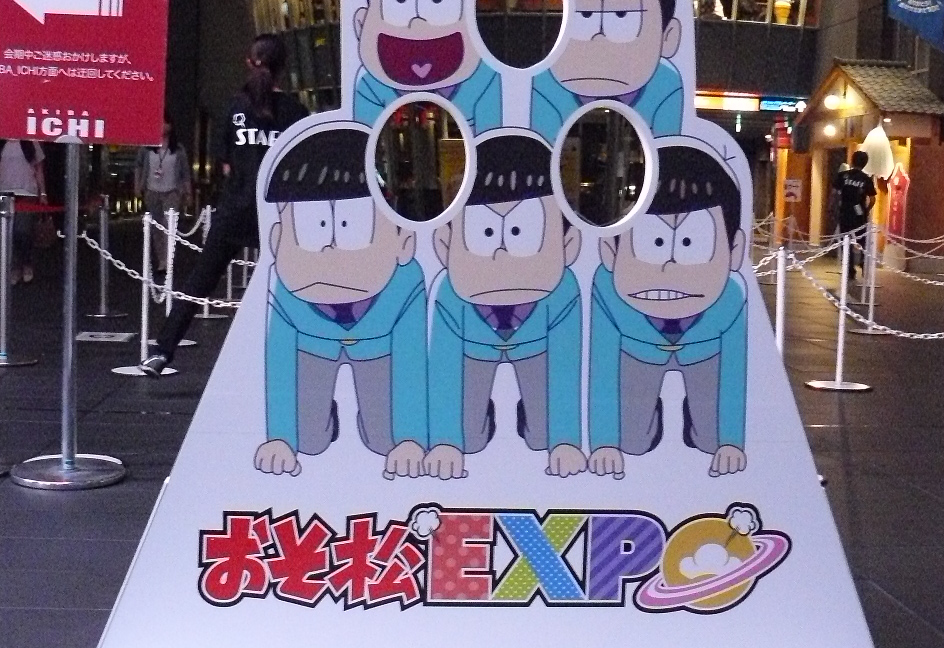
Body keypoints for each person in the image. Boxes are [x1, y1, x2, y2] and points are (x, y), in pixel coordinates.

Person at [253, 124, 429, 481]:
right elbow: (280, 360)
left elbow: (411, 360)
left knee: (385, 439)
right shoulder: (287, 286)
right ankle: (323, 421)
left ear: (402, 241)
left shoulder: (406, 282)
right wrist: (281, 438)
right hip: (313, 344)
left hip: (378, 346)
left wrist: (412, 439)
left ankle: (376, 427)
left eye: (351, 225)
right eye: (314, 227)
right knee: (308, 440)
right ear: (278, 240)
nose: (330, 249)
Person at [140, 34, 308, 376]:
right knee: (294, 287)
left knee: (199, 281)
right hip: (277, 215)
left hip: (234, 210)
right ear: (283, 68)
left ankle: (162, 352)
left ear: (249, 62)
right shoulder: (296, 112)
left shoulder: (235, 108)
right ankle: (299, 360)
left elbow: (227, 165)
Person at [426, 131, 587, 479]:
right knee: (467, 439)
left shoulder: (564, 290)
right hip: (475, 346)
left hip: (536, 344)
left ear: (568, 245)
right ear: (445, 245)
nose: (501, 255)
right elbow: (443, 369)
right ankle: (480, 426)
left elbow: (566, 369)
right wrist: (445, 442)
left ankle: (532, 424)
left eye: (521, 232)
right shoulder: (450, 292)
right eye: (484, 233)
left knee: (543, 435)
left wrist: (565, 441)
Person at [588, 140, 748, 479]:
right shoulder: (607, 292)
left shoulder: (730, 300)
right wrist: (604, 443)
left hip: (703, 349)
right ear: (611, 251)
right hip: (638, 348)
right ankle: (650, 421)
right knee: (631, 441)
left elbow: (734, 374)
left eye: (692, 243)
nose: (669, 267)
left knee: (711, 439)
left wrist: (731, 442)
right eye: (654, 242)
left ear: (734, 251)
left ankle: (696, 423)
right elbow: (602, 370)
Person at [530, 0, 683, 142]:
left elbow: (667, 143)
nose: (599, 40)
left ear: (668, 37)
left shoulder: (666, 85)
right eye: (582, 18)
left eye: (623, 17)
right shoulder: (544, 86)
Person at [350, 0, 502, 134]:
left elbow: (490, 136)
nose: (418, 24)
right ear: (361, 23)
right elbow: (362, 138)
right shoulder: (369, 88)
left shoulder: (485, 81)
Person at [135, 116, 192, 277]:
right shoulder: (147, 147)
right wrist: (138, 186)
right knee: (156, 227)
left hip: (172, 191)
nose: (162, 126)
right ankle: (161, 259)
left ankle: (168, 259)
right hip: (152, 191)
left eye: (165, 122)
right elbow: (138, 166)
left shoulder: (178, 149)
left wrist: (188, 193)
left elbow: (185, 173)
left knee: (169, 225)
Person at [0, 139, 46, 284]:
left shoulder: (31, 142)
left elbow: (39, 170)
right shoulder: (2, 142)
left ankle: (26, 263)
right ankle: (14, 266)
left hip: (27, 193)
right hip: (5, 193)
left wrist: (43, 193)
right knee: (9, 233)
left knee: (23, 231)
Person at [831, 149, 875, 279]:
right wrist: (866, 210)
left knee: (846, 241)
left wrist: (832, 207)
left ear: (852, 160)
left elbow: (834, 193)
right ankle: (863, 261)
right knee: (862, 239)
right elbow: (872, 199)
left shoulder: (843, 176)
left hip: (845, 211)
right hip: (859, 213)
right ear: (865, 163)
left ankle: (849, 269)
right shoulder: (866, 179)